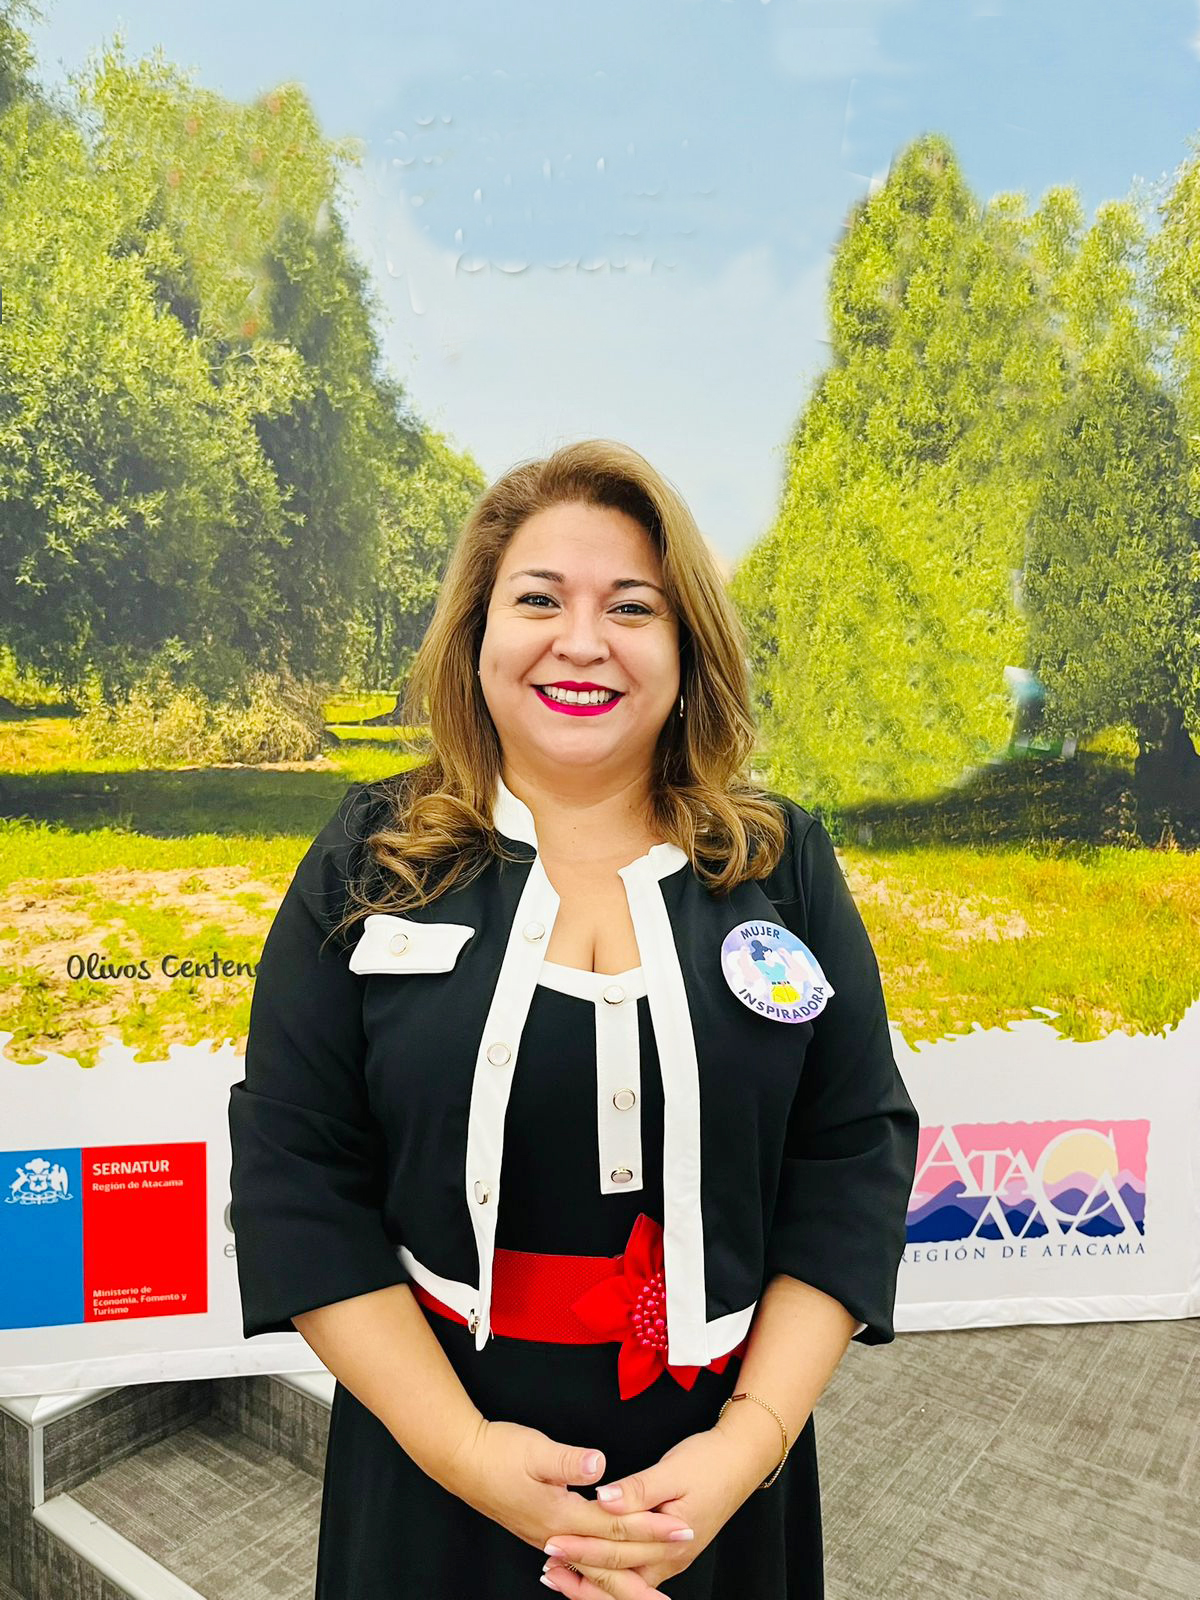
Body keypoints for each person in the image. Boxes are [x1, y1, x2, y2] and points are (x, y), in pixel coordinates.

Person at [227, 438, 919, 1598]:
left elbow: (852, 1156)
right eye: (539, 599)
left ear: (686, 647)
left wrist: (745, 1449)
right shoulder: (371, 857)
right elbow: (296, 1171)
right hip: (433, 1470)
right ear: (477, 635)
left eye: (632, 606)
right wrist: (464, 1452)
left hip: (712, 1483)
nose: (582, 640)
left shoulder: (780, 862)